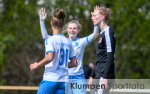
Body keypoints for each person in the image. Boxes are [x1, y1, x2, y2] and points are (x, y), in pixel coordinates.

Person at [38, 8, 99, 94]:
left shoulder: (81, 42)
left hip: (78, 77)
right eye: (70, 28)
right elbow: (45, 36)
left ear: (78, 30)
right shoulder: (63, 41)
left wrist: (96, 22)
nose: (72, 30)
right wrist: (41, 21)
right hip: (65, 77)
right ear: (66, 29)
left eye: (74, 28)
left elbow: (95, 34)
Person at [30, 8, 77, 94]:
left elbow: (50, 57)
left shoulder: (51, 40)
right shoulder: (68, 42)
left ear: (51, 23)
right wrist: (62, 64)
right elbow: (74, 63)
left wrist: (37, 64)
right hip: (64, 81)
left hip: (51, 79)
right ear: (63, 26)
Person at [89, 6, 116, 94]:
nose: (92, 18)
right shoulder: (101, 33)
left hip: (104, 75)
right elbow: (99, 58)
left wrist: (105, 77)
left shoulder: (108, 32)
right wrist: (92, 75)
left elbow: (110, 56)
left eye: (94, 15)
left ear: (103, 16)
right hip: (98, 74)